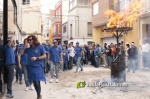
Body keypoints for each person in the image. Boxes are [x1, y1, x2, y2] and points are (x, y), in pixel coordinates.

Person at [19, 35, 46, 99]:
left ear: (34, 40)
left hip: (38, 66)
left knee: (37, 81)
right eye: (28, 40)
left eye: (30, 40)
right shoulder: (28, 49)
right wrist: (24, 47)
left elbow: (44, 56)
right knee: (34, 81)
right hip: (31, 67)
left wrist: (37, 58)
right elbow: (20, 54)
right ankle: (38, 94)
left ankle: (38, 96)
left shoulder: (40, 47)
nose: (29, 41)